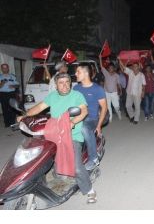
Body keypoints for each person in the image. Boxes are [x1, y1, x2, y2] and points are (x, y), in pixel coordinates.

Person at [17, 73, 97, 203]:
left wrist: (72, 122)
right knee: (38, 158)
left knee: (76, 167)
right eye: (61, 83)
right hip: (54, 134)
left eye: (67, 82)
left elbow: (83, 111)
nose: (64, 85)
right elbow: (39, 107)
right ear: (56, 85)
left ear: (70, 83)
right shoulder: (52, 96)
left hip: (72, 136)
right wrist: (25, 115)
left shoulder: (77, 95)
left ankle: (89, 190)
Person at [74, 63, 107, 171]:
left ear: (86, 73)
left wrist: (99, 125)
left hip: (91, 119)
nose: (75, 74)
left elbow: (104, 108)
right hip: (77, 117)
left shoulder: (97, 89)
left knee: (84, 128)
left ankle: (93, 158)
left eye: (78, 72)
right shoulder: (76, 88)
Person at [118, 58, 146, 124]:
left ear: (138, 67)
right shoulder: (130, 72)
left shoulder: (142, 75)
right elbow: (124, 67)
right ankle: (132, 116)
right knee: (127, 106)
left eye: (136, 66)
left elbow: (144, 85)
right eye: (133, 66)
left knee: (137, 107)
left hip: (137, 93)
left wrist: (143, 92)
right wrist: (120, 60)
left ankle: (136, 119)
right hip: (129, 92)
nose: (134, 67)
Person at [99, 56, 122, 122]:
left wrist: (120, 91)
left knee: (116, 106)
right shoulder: (106, 73)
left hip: (114, 93)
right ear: (108, 69)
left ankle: (118, 112)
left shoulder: (117, 75)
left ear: (114, 68)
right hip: (106, 93)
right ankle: (110, 118)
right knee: (108, 106)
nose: (110, 69)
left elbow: (118, 84)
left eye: (112, 68)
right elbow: (101, 66)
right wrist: (100, 58)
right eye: (109, 68)